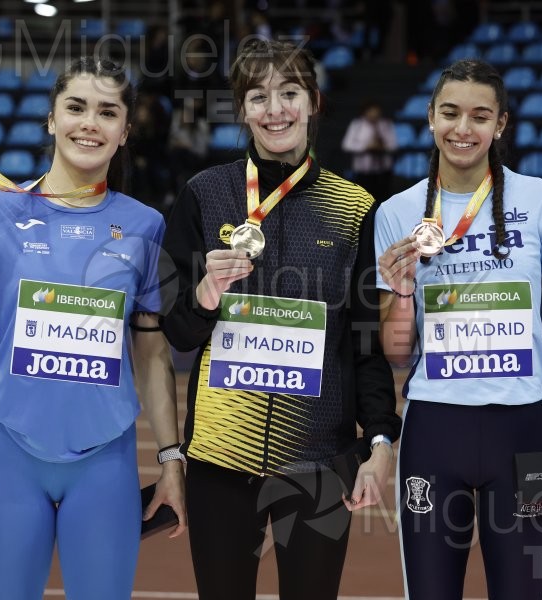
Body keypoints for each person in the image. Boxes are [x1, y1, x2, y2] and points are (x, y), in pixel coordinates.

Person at [160, 39, 402, 600]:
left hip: (320, 455)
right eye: (258, 96)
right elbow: (177, 331)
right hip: (221, 455)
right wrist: (203, 295)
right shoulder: (204, 195)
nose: (276, 110)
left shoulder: (355, 207)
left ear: (313, 102)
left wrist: (382, 439)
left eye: (289, 93)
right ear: (241, 109)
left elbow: (364, 341)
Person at [0, 57, 186, 600]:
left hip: (105, 462)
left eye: (107, 112)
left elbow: (150, 354)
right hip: (9, 453)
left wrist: (171, 460)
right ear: (52, 119)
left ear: (124, 132)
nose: (89, 123)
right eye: (75, 107)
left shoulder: (145, 224)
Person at [374, 59, 542, 600]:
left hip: (524, 434)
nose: (462, 129)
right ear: (430, 118)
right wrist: (401, 292)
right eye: (450, 113)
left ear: (500, 124)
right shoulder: (398, 213)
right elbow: (396, 353)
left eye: (479, 116)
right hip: (431, 432)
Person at [341, 100, 398, 204]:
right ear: (365, 112)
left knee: (383, 199)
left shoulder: (386, 124)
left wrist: (382, 147)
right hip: (363, 171)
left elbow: (393, 145)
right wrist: (366, 147)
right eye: (371, 111)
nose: (374, 113)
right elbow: (347, 145)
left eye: (376, 111)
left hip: (383, 171)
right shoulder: (357, 125)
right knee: (363, 200)